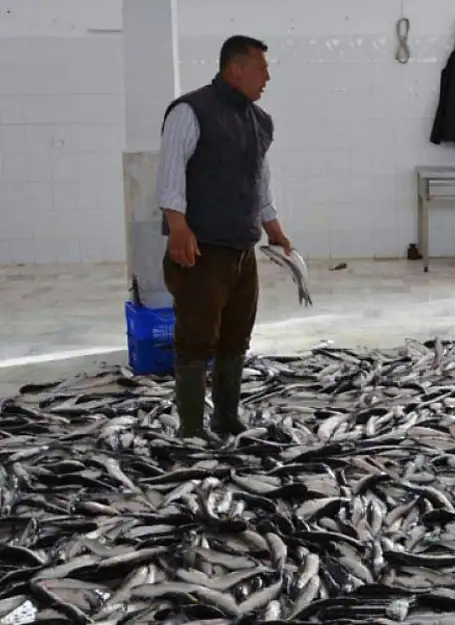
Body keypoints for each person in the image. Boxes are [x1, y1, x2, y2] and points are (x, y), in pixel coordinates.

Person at [157, 35, 295, 439]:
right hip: (201, 247)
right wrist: (177, 225)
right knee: (197, 338)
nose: (267, 76)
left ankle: (226, 418)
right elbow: (170, 171)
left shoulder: (260, 120)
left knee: (236, 335)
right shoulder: (191, 110)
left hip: (241, 246)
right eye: (261, 68)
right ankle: (190, 428)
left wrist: (273, 227)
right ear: (236, 69)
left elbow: (259, 180)